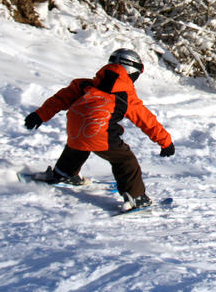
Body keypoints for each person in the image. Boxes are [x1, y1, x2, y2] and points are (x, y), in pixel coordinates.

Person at [23, 48, 175, 212]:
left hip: (75, 128)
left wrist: (39, 115)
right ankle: (136, 197)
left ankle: (63, 173)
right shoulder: (125, 95)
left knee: (79, 145)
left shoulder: (84, 84)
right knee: (125, 160)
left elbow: (59, 100)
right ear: (132, 71)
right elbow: (146, 120)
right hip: (100, 133)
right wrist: (165, 142)